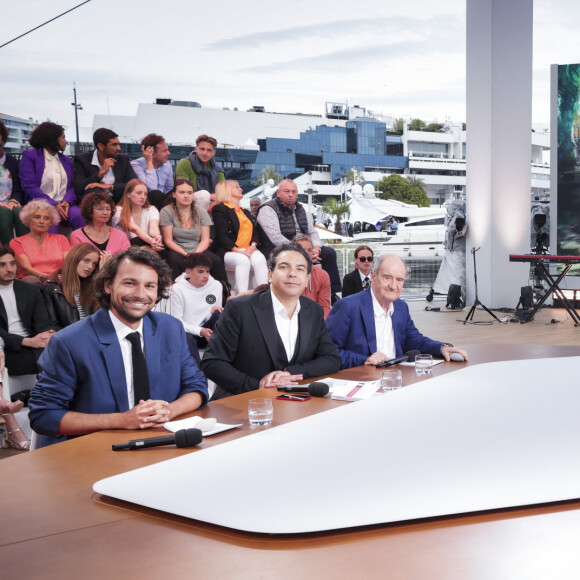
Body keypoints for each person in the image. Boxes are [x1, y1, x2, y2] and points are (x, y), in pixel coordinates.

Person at [28, 247, 209, 447]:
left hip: (162, 446)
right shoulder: (69, 342)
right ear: (108, 285)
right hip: (96, 453)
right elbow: (44, 415)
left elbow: (197, 387)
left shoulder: (171, 328)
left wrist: (169, 411)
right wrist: (123, 420)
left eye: (150, 286)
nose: (141, 294)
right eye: (130, 283)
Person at [201, 243, 341, 398]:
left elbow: (331, 359)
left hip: (295, 404)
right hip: (242, 403)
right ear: (270, 275)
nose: (292, 273)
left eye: (300, 269)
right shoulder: (239, 308)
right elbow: (212, 363)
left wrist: (289, 373)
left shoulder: (313, 310)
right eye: (284, 267)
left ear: (307, 278)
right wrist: (260, 385)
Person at [326, 254, 469, 369]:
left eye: (399, 280)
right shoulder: (347, 307)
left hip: (397, 380)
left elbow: (415, 341)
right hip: (362, 383)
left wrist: (442, 348)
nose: (393, 286)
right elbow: (328, 352)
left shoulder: (401, 307)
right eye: (387, 277)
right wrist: (366, 360)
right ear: (374, 277)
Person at [256, 178, 342, 298]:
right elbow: (276, 238)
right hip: (277, 250)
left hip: (303, 248)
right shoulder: (268, 209)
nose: (291, 195)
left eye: (294, 192)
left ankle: (331, 294)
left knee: (329, 253)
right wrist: (301, 251)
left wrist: (316, 248)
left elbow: (312, 232)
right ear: (278, 192)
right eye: (286, 191)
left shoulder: (300, 209)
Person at [0, 246, 55, 378]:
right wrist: (26, 341)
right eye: (2, 265)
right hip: (5, 346)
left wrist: (47, 335)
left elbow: (42, 323)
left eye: (12, 264)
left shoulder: (30, 290)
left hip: (33, 342)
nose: (10, 269)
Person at [18, 121, 84, 230]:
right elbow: (29, 186)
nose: (65, 141)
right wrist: (53, 203)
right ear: (52, 139)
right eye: (63, 137)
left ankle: (82, 247)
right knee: (50, 220)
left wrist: (67, 201)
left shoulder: (66, 160)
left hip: (64, 203)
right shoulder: (30, 156)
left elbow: (72, 186)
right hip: (40, 203)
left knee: (79, 215)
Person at [159, 178, 226, 282]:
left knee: (216, 260)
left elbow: (205, 240)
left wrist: (195, 255)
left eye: (189, 193)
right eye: (182, 192)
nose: (186, 196)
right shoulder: (166, 211)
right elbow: (168, 241)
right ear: (174, 194)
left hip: (198, 249)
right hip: (177, 249)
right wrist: (186, 255)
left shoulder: (201, 212)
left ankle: (225, 294)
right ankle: (174, 294)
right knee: (174, 260)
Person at [211, 180, 268, 294]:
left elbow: (255, 232)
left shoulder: (245, 212)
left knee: (260, 259)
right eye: (237, 187)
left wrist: (253, 246)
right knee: (243, 260)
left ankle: (264, 293)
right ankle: (242, 295)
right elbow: (222, 235)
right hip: (230, 250)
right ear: (227, 191)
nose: (241, 189)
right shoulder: (220, 209)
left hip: (248, 248)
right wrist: (237, 250)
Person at [169, 253, 225, 365]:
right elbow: (177, 322)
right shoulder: (177, 289)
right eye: (200, 272)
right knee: (185, 336)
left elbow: (214, 313)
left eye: (207, 271)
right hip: (188, 333)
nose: (205, 275)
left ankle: (222, 362)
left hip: (208, 332)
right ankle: (198, 373)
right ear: (188, 272)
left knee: (221, 315)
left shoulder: (216, 285)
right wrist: (200, 331)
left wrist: (216, 310)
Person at [41, 243, 100, 330]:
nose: (90, 267)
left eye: (94, 264)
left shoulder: (93, 285)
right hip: (67, 338)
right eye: (86, 260)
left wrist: (101, 273)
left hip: (93, 336)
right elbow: (52, 324)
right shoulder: (51, 287)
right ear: (74, 259)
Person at [9, 200, 70, 283]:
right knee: (31, 280)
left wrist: (55, 278)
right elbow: (25, 268)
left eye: (46, 218)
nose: (42, 221)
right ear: (28, 219)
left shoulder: (61, 239)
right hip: (32, 282)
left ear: (50, 223)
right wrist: (47, 277)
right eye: (37, 217)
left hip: (58, 280)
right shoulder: (16, 242)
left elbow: (68, 262)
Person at [73, 128, 137, 203]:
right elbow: (78, 188)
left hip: (119, 201)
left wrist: (111, 187)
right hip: (95, 205)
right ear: (101, 146)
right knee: (94, 192)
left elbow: (134, 184)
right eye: (114, 145)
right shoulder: (82, 159)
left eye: (118, 144)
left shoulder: (123, 159)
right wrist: (100, 173)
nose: (119, 148)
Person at [70, 192, 130, 260]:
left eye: (108, 209)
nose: (105, 212)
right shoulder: (77, 236)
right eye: (100, 209)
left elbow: (128, 260)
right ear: (90, 211)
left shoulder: (121, 235)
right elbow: (76, 262)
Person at [112, 179, 164, 252]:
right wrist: (151, 241)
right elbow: (134, 229)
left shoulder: (151, 209)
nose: (143, 197)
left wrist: (157, 238)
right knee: (137, 240)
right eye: (139, 193)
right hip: (125, 249)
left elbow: (153, 227)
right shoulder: (118, 211)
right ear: (128, 194)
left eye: (145, 194)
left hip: (147, 246)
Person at [0, 119, 27, 244]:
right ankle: (8, 254)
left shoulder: (11, 161)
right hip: (2, 207)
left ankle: (25, 253)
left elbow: (17, 188)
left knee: (20, 212)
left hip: (9, 203)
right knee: (4, 213)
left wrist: (13, 200)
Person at [129, 133, 173, 210]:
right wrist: (149, 161)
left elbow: (169, 188)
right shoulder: (136, 165)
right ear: (152, 154)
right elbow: (151, 188)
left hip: (163, 201)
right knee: (156, 194)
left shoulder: (167, 165)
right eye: (164, 151)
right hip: (146, 201)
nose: (169, 153)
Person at [293, 234, 331, 319]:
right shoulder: (286, 273)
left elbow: (325, 307)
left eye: (309, 250)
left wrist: (320, 325)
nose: (306, 253)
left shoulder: (322, 275)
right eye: (302, 250)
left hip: (315, 322)